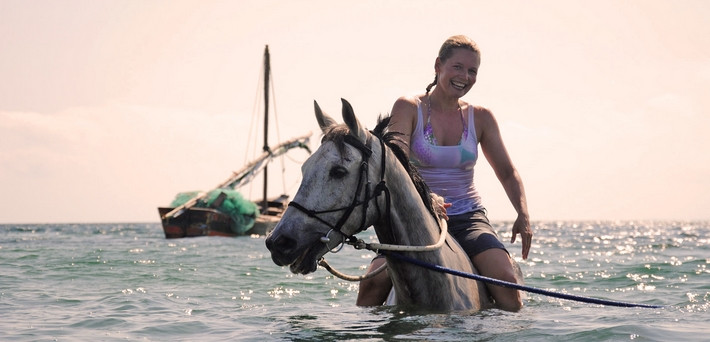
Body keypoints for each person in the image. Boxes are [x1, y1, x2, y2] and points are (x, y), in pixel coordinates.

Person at [356, 35, 532, 312]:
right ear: (438, 65)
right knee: (370, 284)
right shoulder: (408, 106)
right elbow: (396, 160)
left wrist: (523, 214)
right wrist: (427, 197)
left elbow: (508, 172)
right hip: (417, 216)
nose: (465, 76)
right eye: (458, 67)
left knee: (508, 285)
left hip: (467, 218)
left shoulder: (481, 117)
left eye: (472, 71)